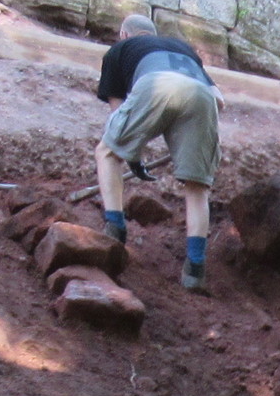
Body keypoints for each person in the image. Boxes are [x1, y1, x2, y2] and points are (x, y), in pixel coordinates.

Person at [94, 15, 220, 291]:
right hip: (202, 96)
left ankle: (114, 230)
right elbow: (219, 100)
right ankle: (195, 269)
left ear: (124, 34)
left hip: (155, 83)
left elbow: (118, 119)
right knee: (198, 187)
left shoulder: (119, 50)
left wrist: (132, 154)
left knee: (106, 152)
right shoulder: (184, 49)